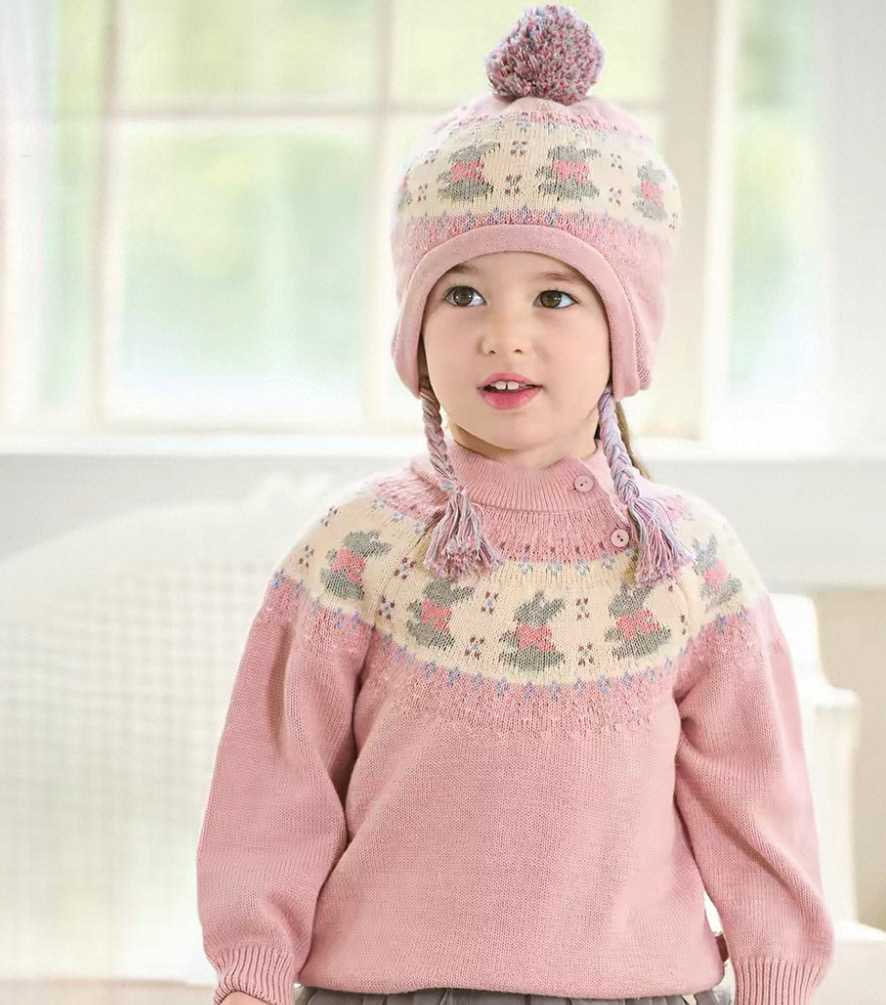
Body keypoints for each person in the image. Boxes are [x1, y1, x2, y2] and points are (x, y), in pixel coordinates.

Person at [195, 6, 835, 1005]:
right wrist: (253, 973)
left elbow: (757, 808)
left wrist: (775, 980)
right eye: (461, 295)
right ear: (414, 328)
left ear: (626, 332)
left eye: (555, 297)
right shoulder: (361, 547)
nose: (504, 334)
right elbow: (276, 786)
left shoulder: (686, 563)